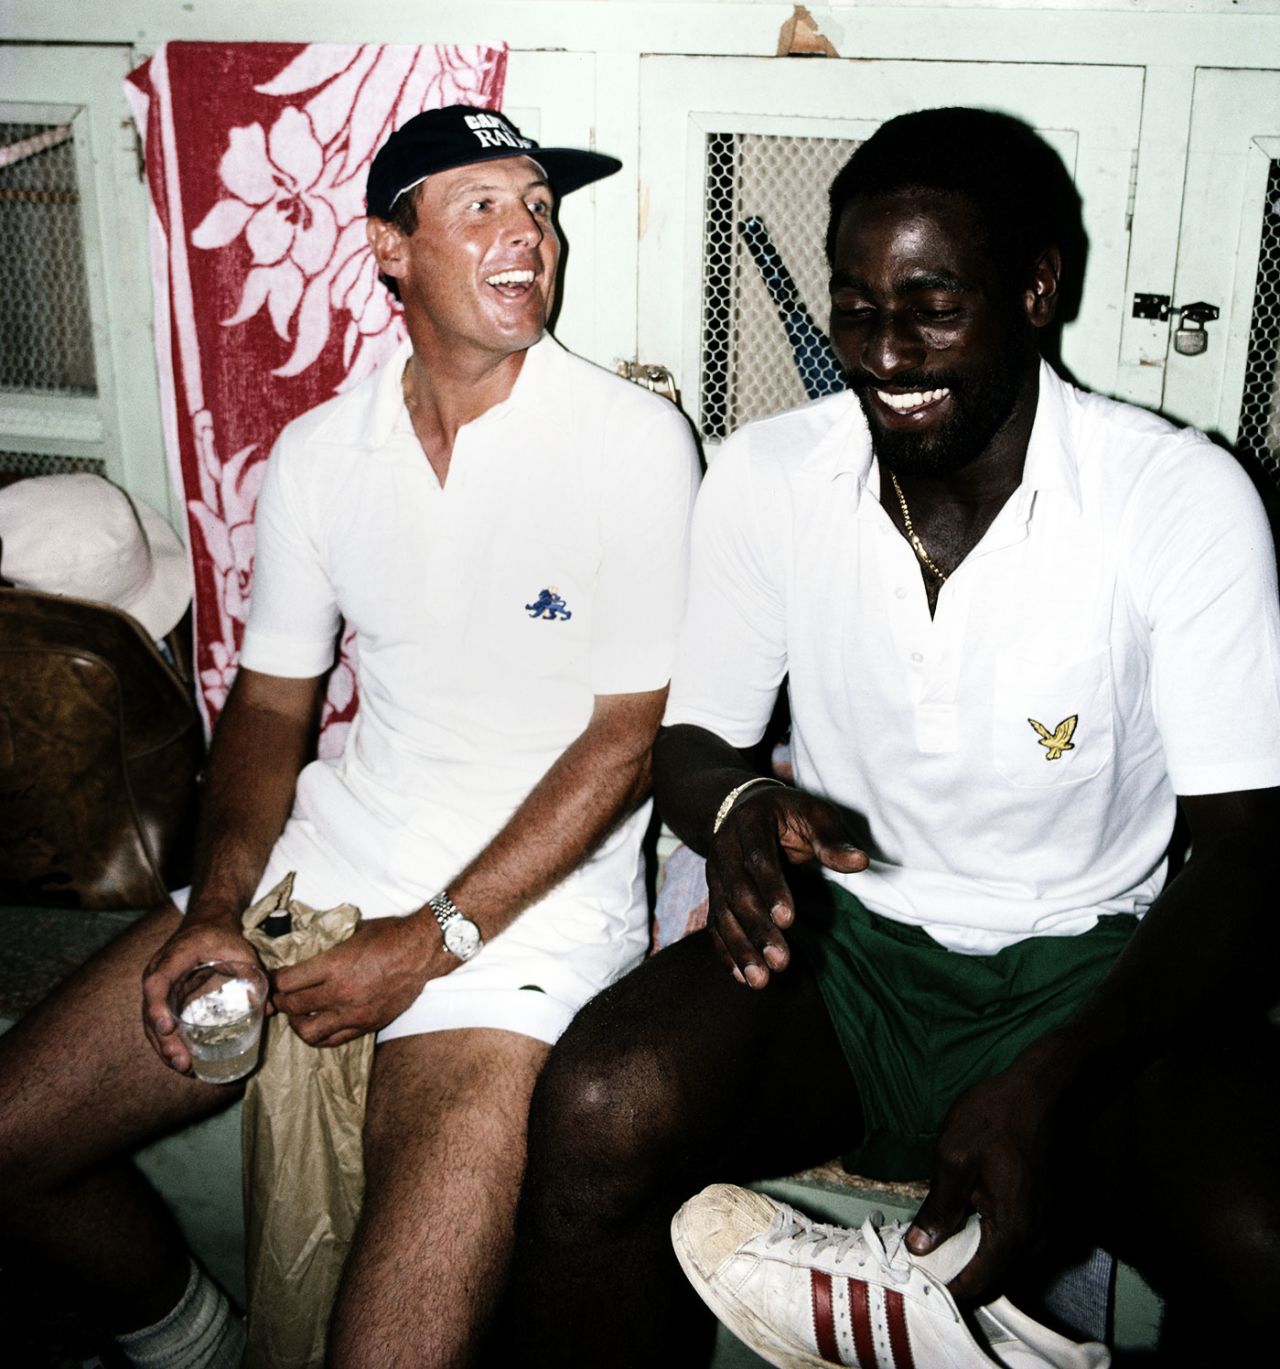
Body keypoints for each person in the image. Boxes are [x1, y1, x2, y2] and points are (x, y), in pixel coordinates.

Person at [504, 107, 1280, 1368]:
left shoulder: (1172, 500)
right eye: (855, 306)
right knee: (599, 1103)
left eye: (931, 303)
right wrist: (739, 809)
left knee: (1259, 1238)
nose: (883, 350)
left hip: (1085, 970)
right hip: (852, 956)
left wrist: (1050, 1079)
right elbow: (693, 738)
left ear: (1034, 289)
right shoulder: (770, 477)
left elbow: (1248, 853)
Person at [0, 105, 698, 1369]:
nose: (525, 233)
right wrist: (217, 905)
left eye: (536, 205)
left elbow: (628, 743)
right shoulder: (321, 456)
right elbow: (272, 704)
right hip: (321, 872)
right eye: (478, 204)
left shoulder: (632, 442)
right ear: (388, 247)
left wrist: (433, 938)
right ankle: (191, 1342)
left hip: (517, 935)